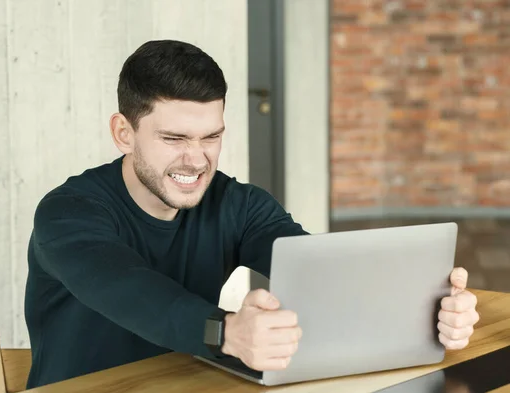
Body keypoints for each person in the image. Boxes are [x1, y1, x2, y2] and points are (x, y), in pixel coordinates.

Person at [24, 40, 480, 388]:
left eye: (210, 137)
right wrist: (226, 333)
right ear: (124, 133)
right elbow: (130, 290)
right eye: (174, 139)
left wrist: (423, 310)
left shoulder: (237, 204)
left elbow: (319, 274)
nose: (196, 160)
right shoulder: (68, 214)